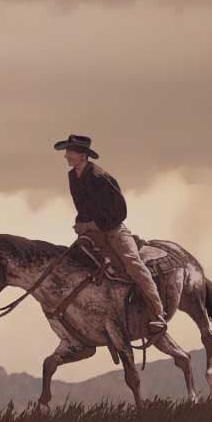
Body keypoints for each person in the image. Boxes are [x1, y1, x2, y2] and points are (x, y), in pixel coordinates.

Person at [54, 134, 167, 336]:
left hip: (113, 230)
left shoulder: (101, 177)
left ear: (82, 155)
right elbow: (82, 207)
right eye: (67, 152)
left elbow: (119, 211)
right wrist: (81, 224)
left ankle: (158, 313)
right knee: (75, 264)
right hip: (90, 232)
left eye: (70, 152)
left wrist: (92, 224)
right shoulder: (72, 176)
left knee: (133, 265)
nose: (66, 156)